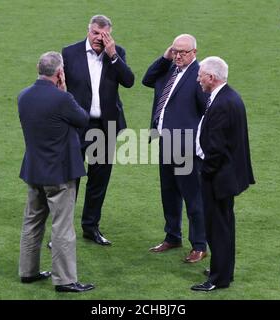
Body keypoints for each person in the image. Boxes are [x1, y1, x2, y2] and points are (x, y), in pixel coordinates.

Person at [18, 51, 94, 293]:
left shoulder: (24, 96)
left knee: (32, 222)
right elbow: (83, 119)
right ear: (60, 72)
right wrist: (65, 92)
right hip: (59, 174)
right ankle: (65, 280)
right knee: (62, 226)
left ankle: (28, 272)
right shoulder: (62, 99)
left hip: (34, 170)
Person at [61, 14, 135, 246]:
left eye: (104, 35)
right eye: (95, 33)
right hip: (76, 126)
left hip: (105, 128)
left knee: (98, 180)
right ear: (88, 30)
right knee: (71, 179)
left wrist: (113, 55)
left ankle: (90, 226)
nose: (99, 39)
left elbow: (129, 81)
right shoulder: (69, 53)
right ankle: (63, 231)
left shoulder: (116, 53)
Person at [142, 34, 209, 263]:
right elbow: (146, 79)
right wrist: (165, 56)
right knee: (168, 193)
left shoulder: (199, 76)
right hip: (166, 143)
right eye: (176, 51)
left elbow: (207, 112)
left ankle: (199, 245)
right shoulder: (169, 69)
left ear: (194, 53)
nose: (178, 56)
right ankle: (173, 236)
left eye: (183, 52)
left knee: (192, 197)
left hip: (186, 148)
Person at [192, 56, 255, 291]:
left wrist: (205, 171)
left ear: (211, 77)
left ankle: (218, 279)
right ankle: (223, 268)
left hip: (218, 177)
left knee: (217, 227)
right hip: (227, 175)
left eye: (200, 76)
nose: (198, 80)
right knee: (224, 225)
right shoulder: (230, 97)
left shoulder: (221, 104)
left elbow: (216, 149)